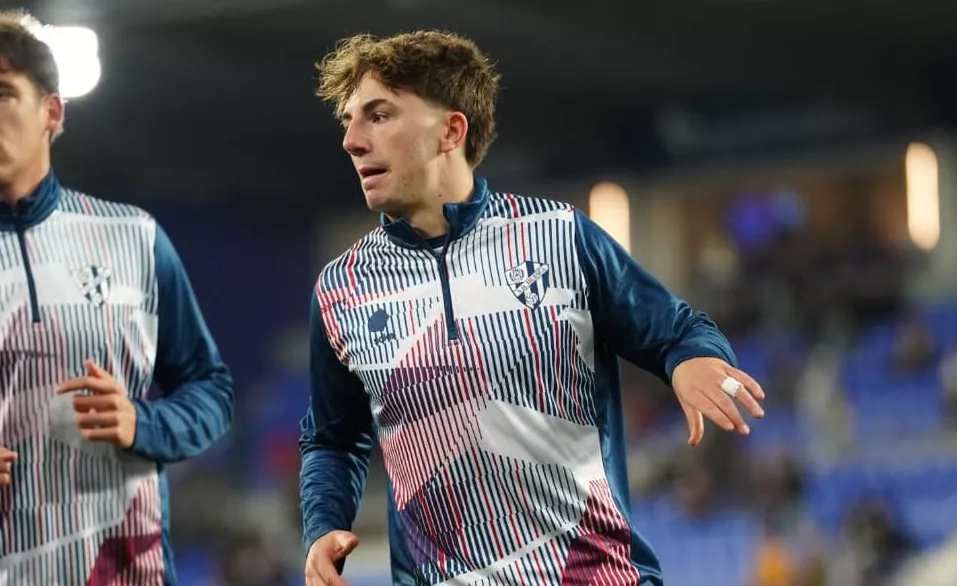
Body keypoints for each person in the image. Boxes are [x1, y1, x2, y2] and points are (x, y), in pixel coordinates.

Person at [299, 30, 765, 586]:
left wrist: (690, 359)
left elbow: (677, 330)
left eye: (378, 115)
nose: (351, 140)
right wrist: (324, 523)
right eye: (348, 121)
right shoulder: (342, 287)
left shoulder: (562, 238)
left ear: (451, 129)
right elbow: (332, 437)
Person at [0, 11, 234, 585]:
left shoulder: (134, 238)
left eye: (2, 92)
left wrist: (142, 422)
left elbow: (212, 391)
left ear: (52, 111)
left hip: (127, 570)